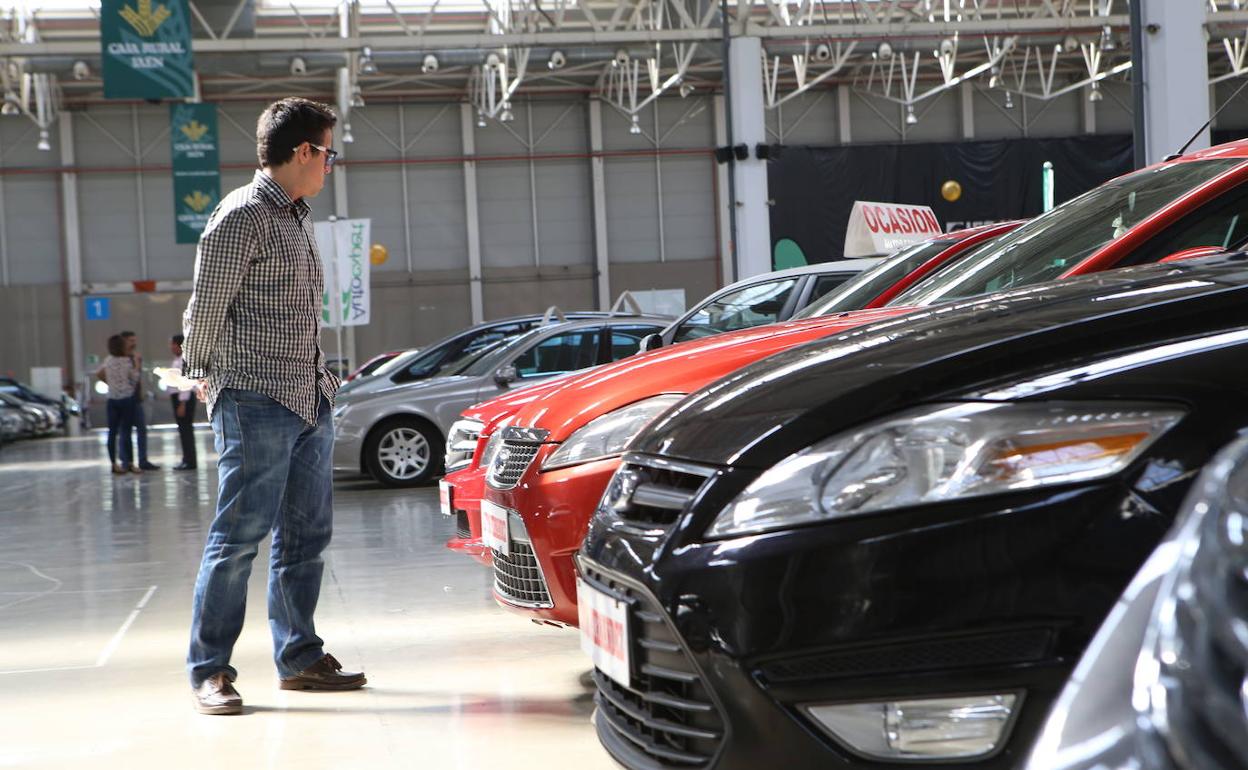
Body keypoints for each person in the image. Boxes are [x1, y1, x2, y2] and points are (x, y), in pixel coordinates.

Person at [182, 97, 365, 716]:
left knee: (306, 536)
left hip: (309, 394)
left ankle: (299, 657)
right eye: (328, 152)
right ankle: (209, 670)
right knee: (238, 539)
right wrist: (206, 380)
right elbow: (204, 309)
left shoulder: (294, 216)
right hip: (255, 397)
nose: (330, 165)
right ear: (304, 152)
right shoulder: (241, 216)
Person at [97, 334, 139, 474]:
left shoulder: (107, 361)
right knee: (126, 432)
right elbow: (134, 379)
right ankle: (129, 463)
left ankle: (114, 464)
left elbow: (99, 373)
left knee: (112, 433)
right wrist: (137, 365)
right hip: (126, 398)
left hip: (112, 399)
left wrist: (110, 383)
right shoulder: (126, 361)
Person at [120, 330, 160, 471]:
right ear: (123, 341)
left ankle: (143, 460)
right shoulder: (119, 358)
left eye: (134, 340)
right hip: (124, 400)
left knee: (141, 430)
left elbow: (137, 379)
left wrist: (141, 392)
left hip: (136, 400)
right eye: (131, 340)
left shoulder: (136, 357)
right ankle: (127, 462)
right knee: (125, 431)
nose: (134, 343)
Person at [167, 334, 197, 471]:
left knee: (185, 430)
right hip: (179, 397)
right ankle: (187, 458)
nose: (171, 347)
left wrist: (183, 402)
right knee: (183, 430)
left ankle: (190, 461)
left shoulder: (185, 359)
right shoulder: (177, 359)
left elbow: (186, 382)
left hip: (183, 398)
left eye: (172, 344)